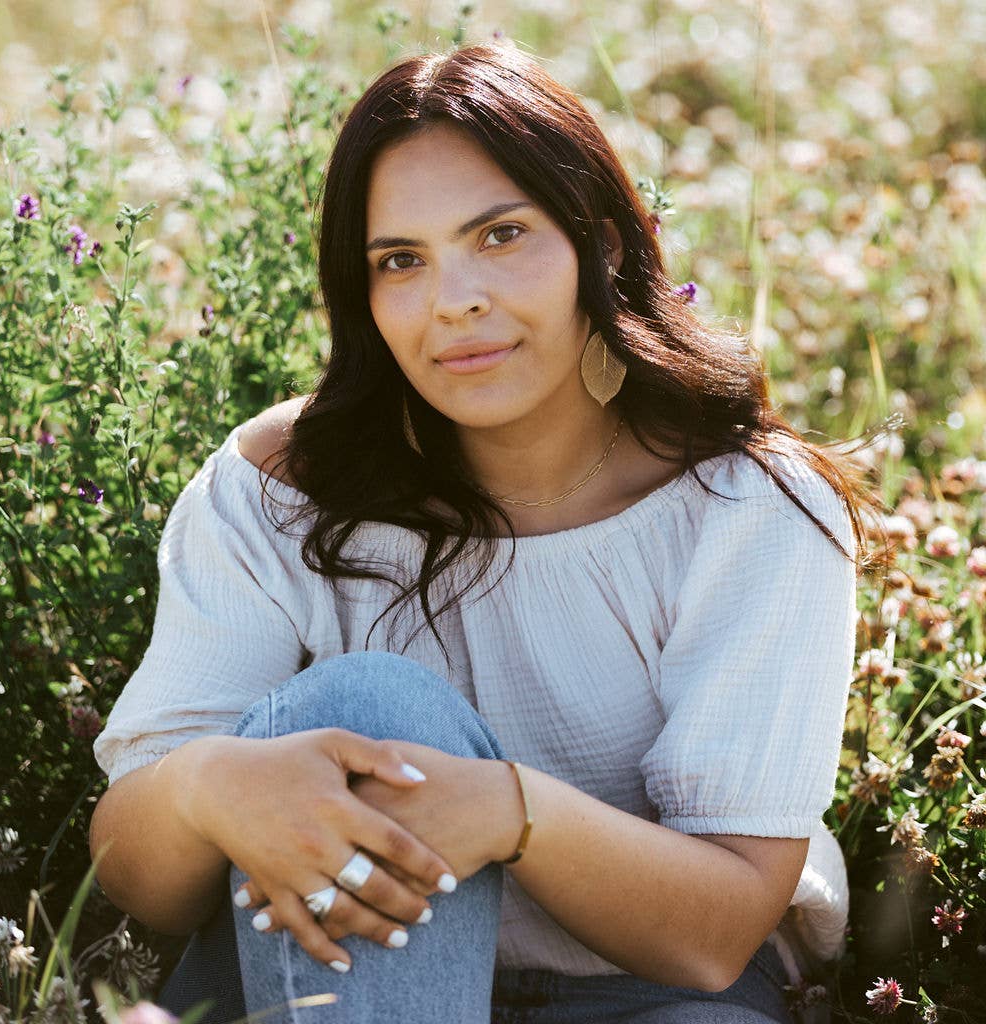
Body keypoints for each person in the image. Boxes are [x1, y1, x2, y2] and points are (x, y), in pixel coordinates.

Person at [88, 40, 882, 1024]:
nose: (454, 300)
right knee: (370, 702)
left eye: (500, 235)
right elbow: (139, 879)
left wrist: (511, 812)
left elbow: (716, 931)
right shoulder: (280, 491)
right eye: (401, 260)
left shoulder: (746, 508)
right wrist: (207, 787)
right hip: (310, 974)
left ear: (600, 245)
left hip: (650, 995)